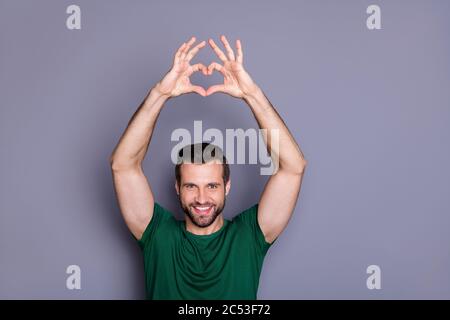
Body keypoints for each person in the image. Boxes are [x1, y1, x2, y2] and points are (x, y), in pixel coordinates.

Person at [109, 35, 308, 299]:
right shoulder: (158, 234)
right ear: (177, 188)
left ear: (227, 186)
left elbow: (293, 166)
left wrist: (252, 95)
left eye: (212, 185)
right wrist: (160, 94)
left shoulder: (249, 236)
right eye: (192, 186)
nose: (202, 198)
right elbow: (123, 165)